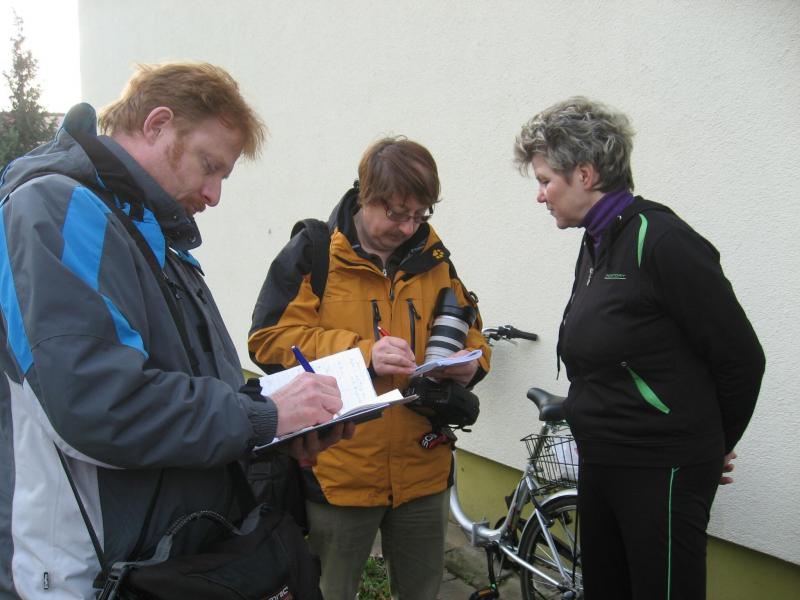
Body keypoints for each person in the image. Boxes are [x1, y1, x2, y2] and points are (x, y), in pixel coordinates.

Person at [0, 62, 350, 600]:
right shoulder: (56, 208)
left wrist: (280, 427)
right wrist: (263, 417)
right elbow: (97, 404)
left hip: (162, 559)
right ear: (157, 124)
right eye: (209, 167)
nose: (214, 195)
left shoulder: (155, 234)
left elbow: (198, 384)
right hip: (84, 571)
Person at [514, 97, 765, 600]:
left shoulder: (663, 241)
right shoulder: (597, 242)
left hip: (660, 468)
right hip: (602, 458)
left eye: (545, 180)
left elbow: (741, 357)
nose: (540, 196)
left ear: (585, 174)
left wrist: (712, 445)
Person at [248, 136, 492, 600]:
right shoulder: (315, 252)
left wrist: (473, 363)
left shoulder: (433, 257)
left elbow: (470, 328)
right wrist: (362, 353)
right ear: (365, 194)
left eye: (420, 215)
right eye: (397, 213)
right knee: (328, 592)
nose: (408, 227)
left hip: (423, 467)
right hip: (341, 471)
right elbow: (269, 339)